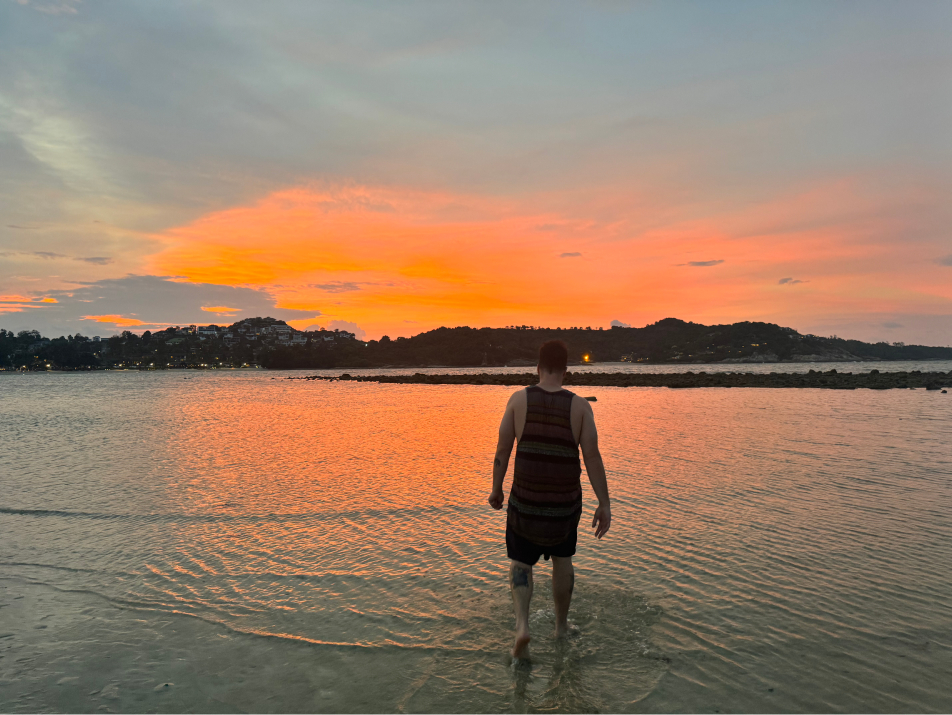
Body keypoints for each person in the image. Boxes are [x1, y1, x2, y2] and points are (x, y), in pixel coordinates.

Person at [488, 339, 611, 660]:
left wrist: (496, 489)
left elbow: (503, 450)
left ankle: (522, 628)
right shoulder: (581, 407)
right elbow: (593, 457)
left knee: (520, 563)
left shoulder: (518, 400)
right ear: (566, 372)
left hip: (525, 503)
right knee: (563, 561)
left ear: (538, 368)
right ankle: (560, 626)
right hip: (563, 507)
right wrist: (605, 503)